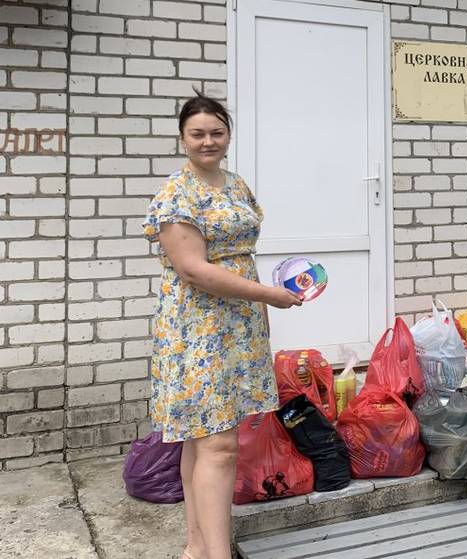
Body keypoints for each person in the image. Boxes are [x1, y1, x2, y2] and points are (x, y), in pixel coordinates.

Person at [142, 94, 302, 559]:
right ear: (182, 138)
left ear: (227, 135)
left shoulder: (235, 184)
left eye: (216, 132)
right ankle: (217, 554)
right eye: (198, 133)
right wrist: (268, 295)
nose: (208, 141)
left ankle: (197, 548)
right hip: (199, 327)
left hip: (240, 324)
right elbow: (192, 268)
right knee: (219, 445)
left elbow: (241, 255)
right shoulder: (177, 192)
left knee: (204, 442)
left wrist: (262, 310)